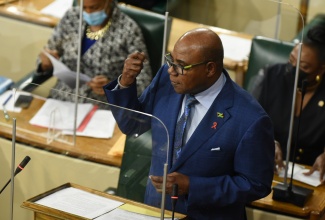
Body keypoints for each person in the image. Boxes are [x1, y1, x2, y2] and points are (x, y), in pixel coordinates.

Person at [103, 28, 274, 219]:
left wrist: (194, 186)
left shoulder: (250, 118)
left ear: (210, 68)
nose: (171, 71)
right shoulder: (167, 80)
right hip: (156, 210)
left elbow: (255, 184)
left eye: (181, 66)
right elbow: (133, 126)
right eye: (171, 61)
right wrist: (126, 82)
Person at [34, 0, 152, 109]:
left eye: (94, 7)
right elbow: (48, 53)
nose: (88, 12)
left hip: (101, 107)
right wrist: (45, 63)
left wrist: (114, 86)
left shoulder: (128, 29)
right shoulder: (71, 18)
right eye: (84, 7)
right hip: (61, 99)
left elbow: (145, 82)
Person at [251, 25, 325, 183]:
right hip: (266, 171)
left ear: (321, 69)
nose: (293, 69)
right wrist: (268, 142)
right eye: (291, 60)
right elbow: (246, 121)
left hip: (312, 180)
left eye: (304, 67)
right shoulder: (270, 76)